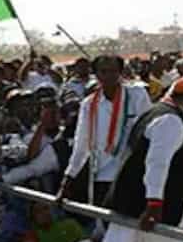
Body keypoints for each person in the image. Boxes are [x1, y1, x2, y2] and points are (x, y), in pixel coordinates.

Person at [103, 78, 183, 242]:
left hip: (138, 205)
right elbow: (157, 163)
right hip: (154, 211)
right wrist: (154, 204)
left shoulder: (152, 113)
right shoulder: (171, 120)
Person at [60, 54, 151, 205]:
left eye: (113, 71)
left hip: (132, 173)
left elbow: (148, 131)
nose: (109, 76)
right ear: (96, 74)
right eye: (103, 71)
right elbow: (81, 145)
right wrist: (68, 178)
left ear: (120, 72)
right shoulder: (89, 104)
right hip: (103, 175)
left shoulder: (137, 95)